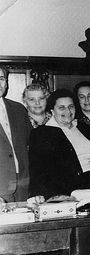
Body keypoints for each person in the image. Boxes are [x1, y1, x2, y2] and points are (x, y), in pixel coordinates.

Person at [29, 89, 90, 200]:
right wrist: (36, 193)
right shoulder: (41, 134)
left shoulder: (83, 127)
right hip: (63, 193)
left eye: (71, 106)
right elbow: (36, 169)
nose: (68, 111)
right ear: (52, 110)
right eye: (61, 108)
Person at [0, 65, 31, 202]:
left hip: (22, 184)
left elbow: (29, 144)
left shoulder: (18, 109)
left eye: (1, 79)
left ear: (6, 83)